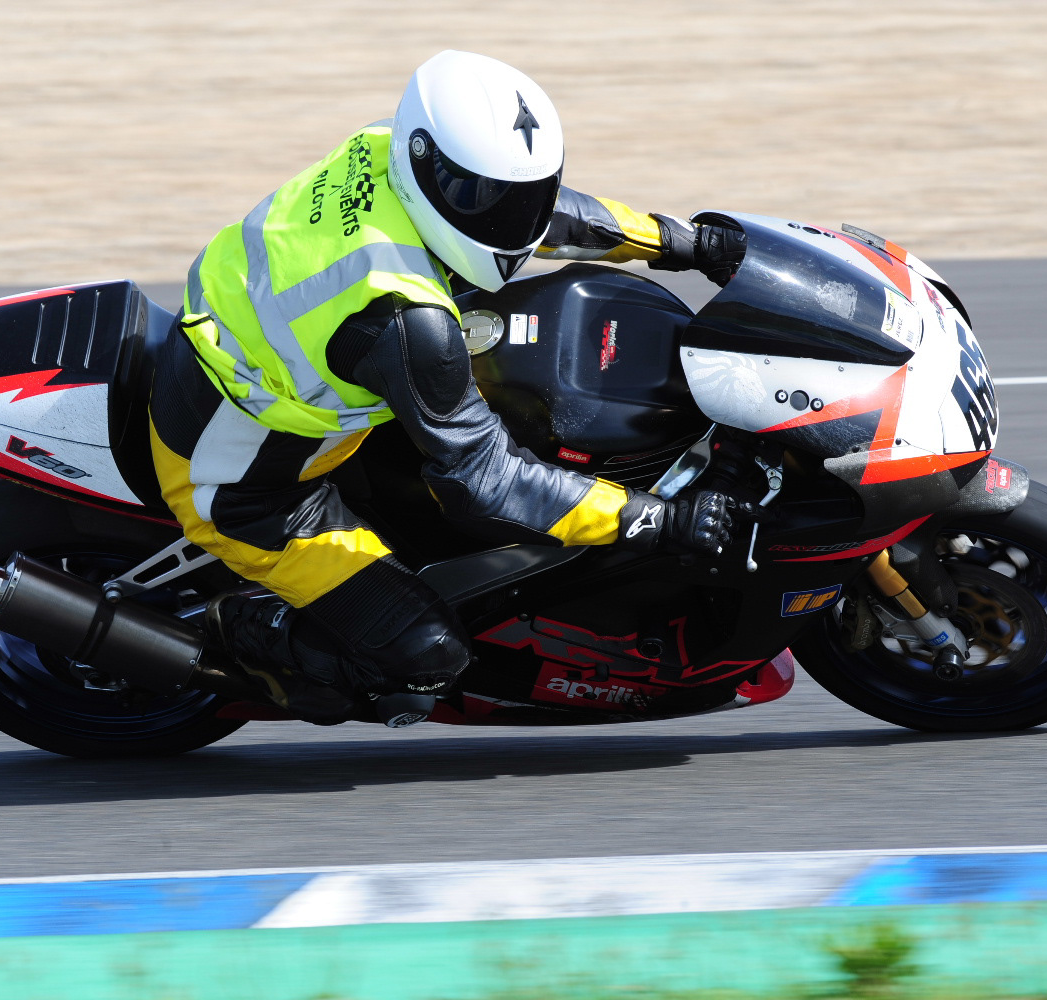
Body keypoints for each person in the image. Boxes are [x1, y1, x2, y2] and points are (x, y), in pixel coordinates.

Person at [148, 50, 746, 725]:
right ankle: (249, 630)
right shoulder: (405, 319)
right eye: (490, 200)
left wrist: (679, 243)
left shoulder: (392, 144)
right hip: (246, 487)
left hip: (262, 359)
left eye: (520, 194)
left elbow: (548, 214)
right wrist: (652, 518)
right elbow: (488, 479)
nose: (513, 222)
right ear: (428, 164)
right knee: (424, 656)